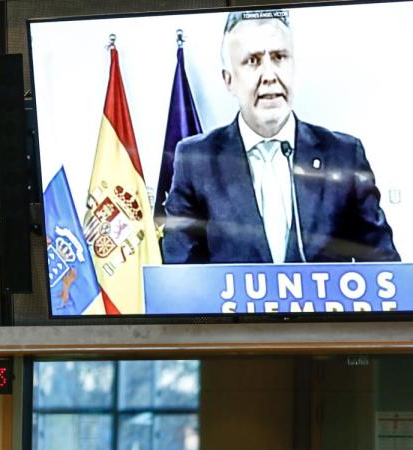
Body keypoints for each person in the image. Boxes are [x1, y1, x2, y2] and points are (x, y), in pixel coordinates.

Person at [162, 10, 400, 265]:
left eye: (279, 57)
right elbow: (181, 278)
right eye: (252, 61)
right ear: (229, 80)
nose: (269, 76)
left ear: (293, 66)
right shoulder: (195, 161)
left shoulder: (344, 155)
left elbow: (383, 269)